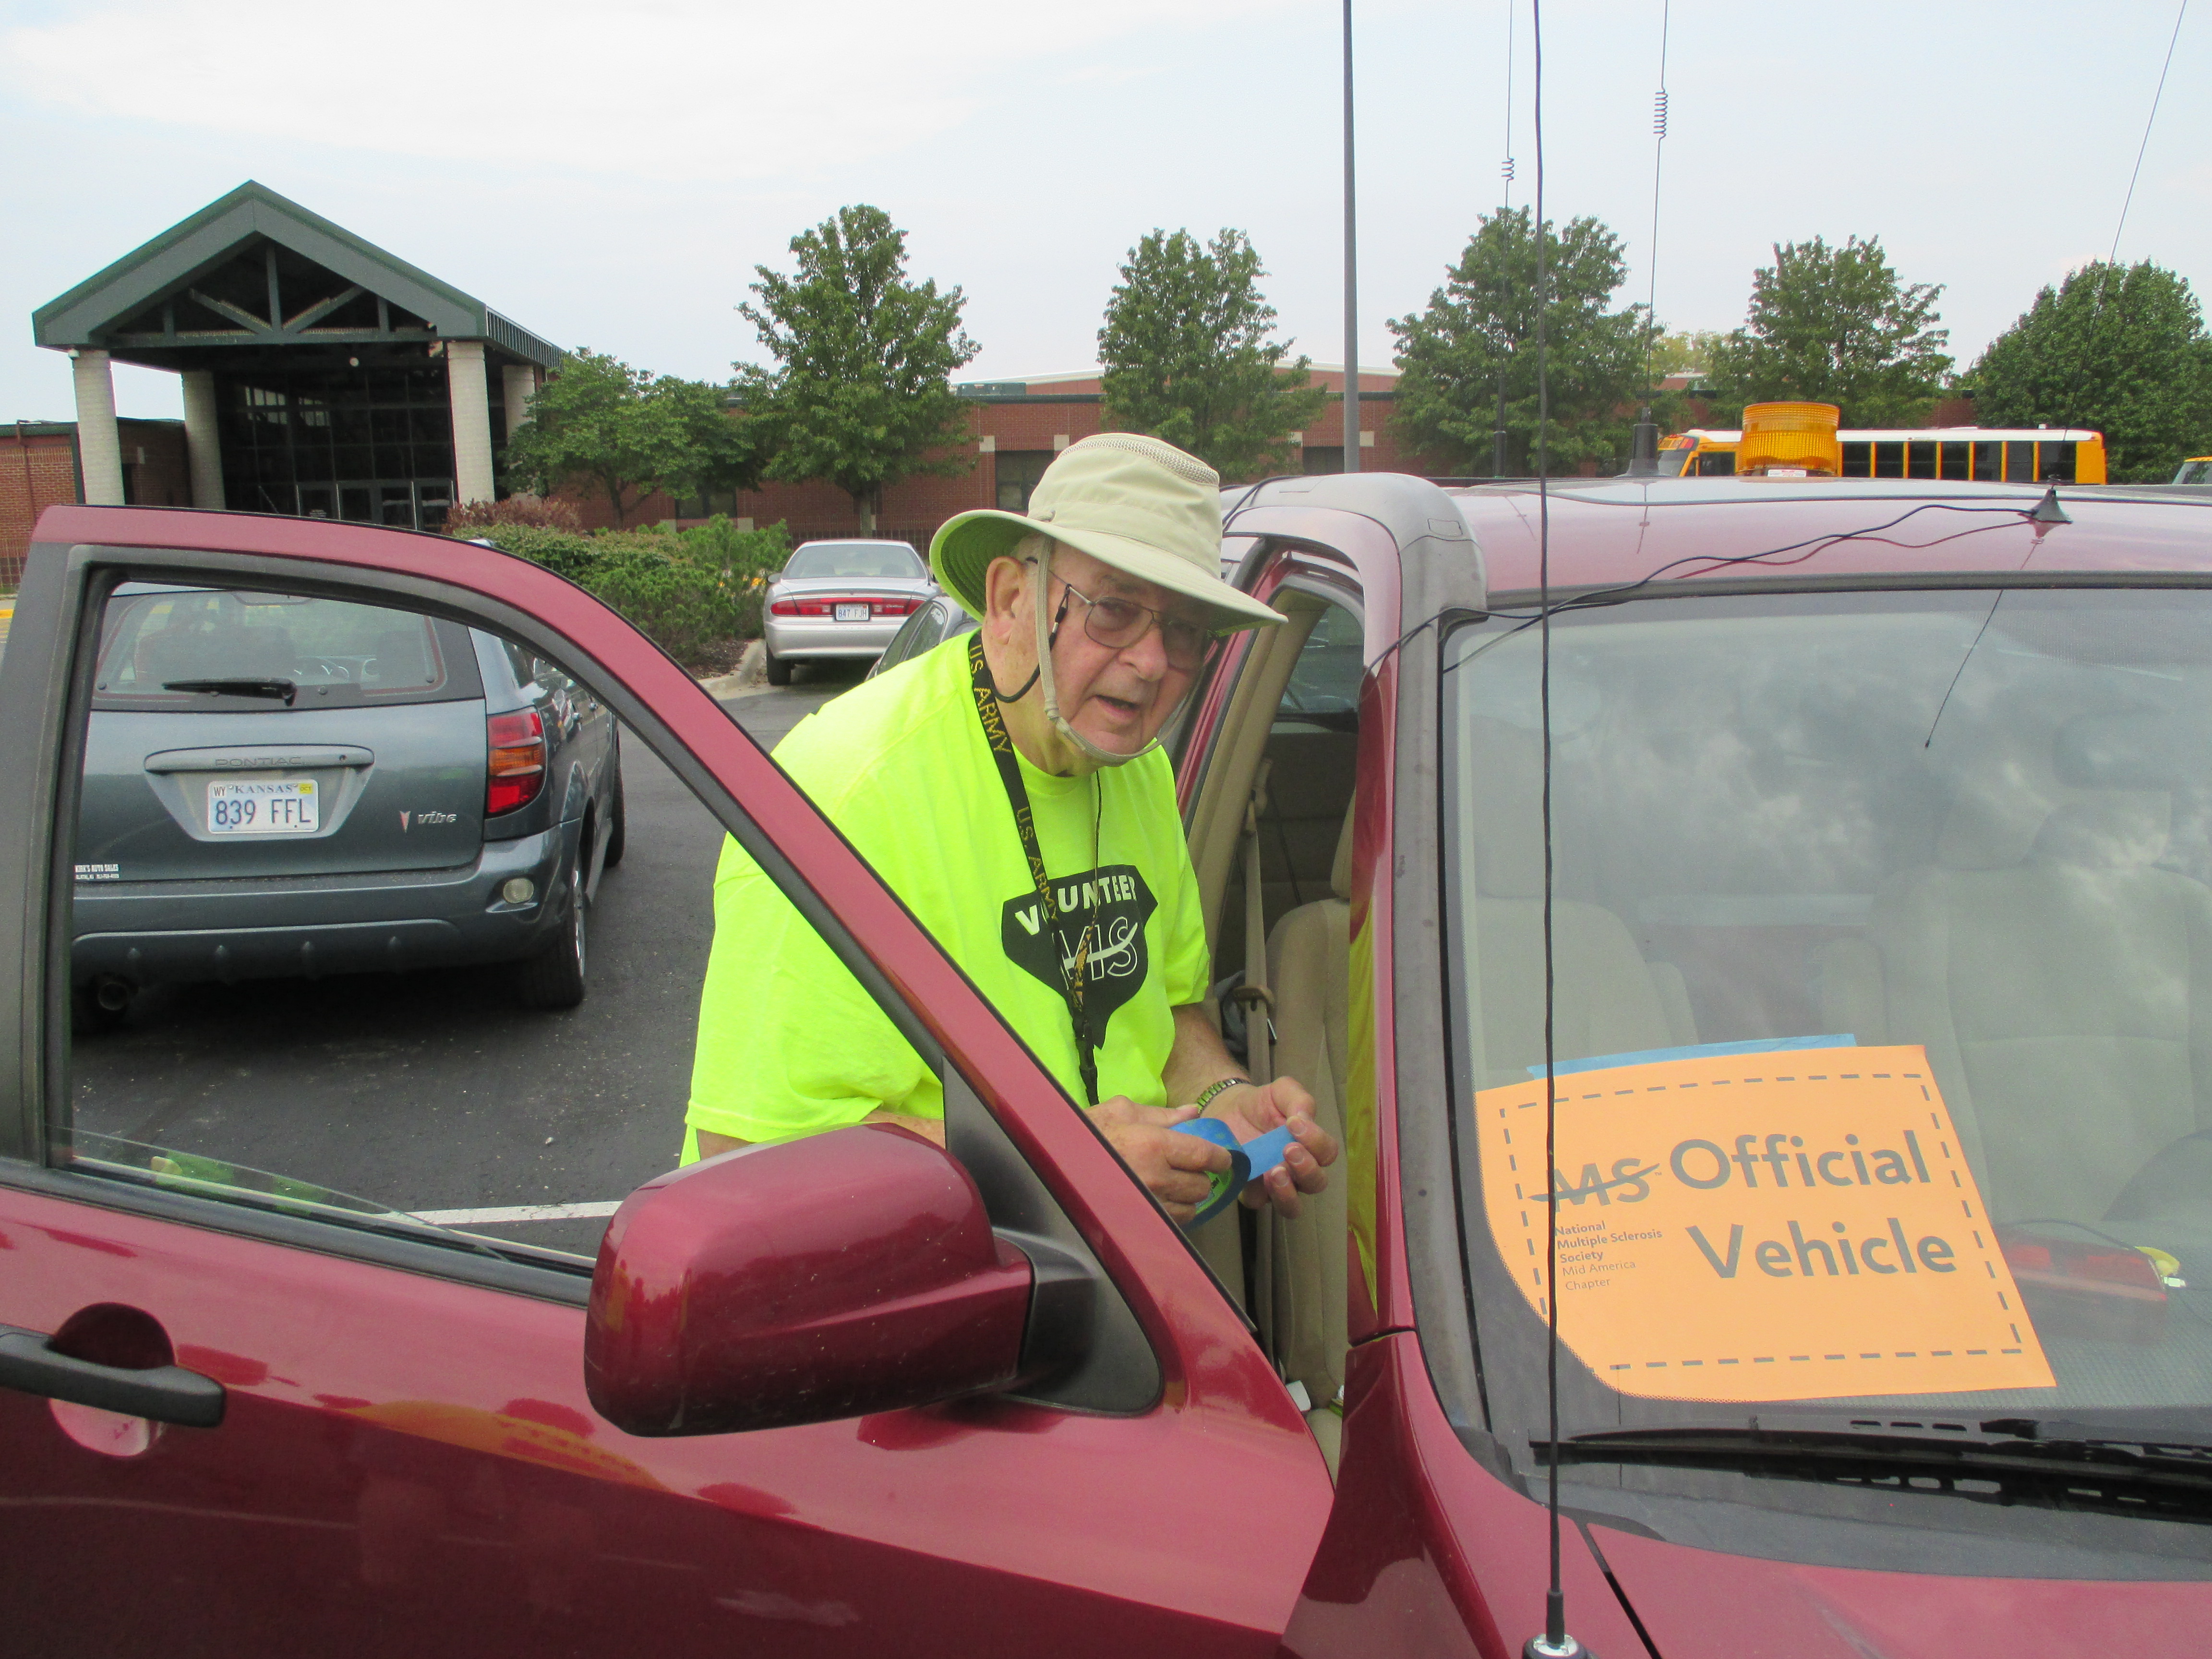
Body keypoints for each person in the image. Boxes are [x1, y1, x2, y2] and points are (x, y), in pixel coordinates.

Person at [684, 433, 1337, 1223]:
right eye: (1115, 611)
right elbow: (751, 1149)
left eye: (1186, 631)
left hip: (1119, 1271)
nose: (1153, 663)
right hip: (923, 1281)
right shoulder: (842, 792)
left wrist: (1224, 1097)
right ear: (1007, 600)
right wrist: (1065, 1164)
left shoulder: (1137, 768)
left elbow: (1166, 1010)